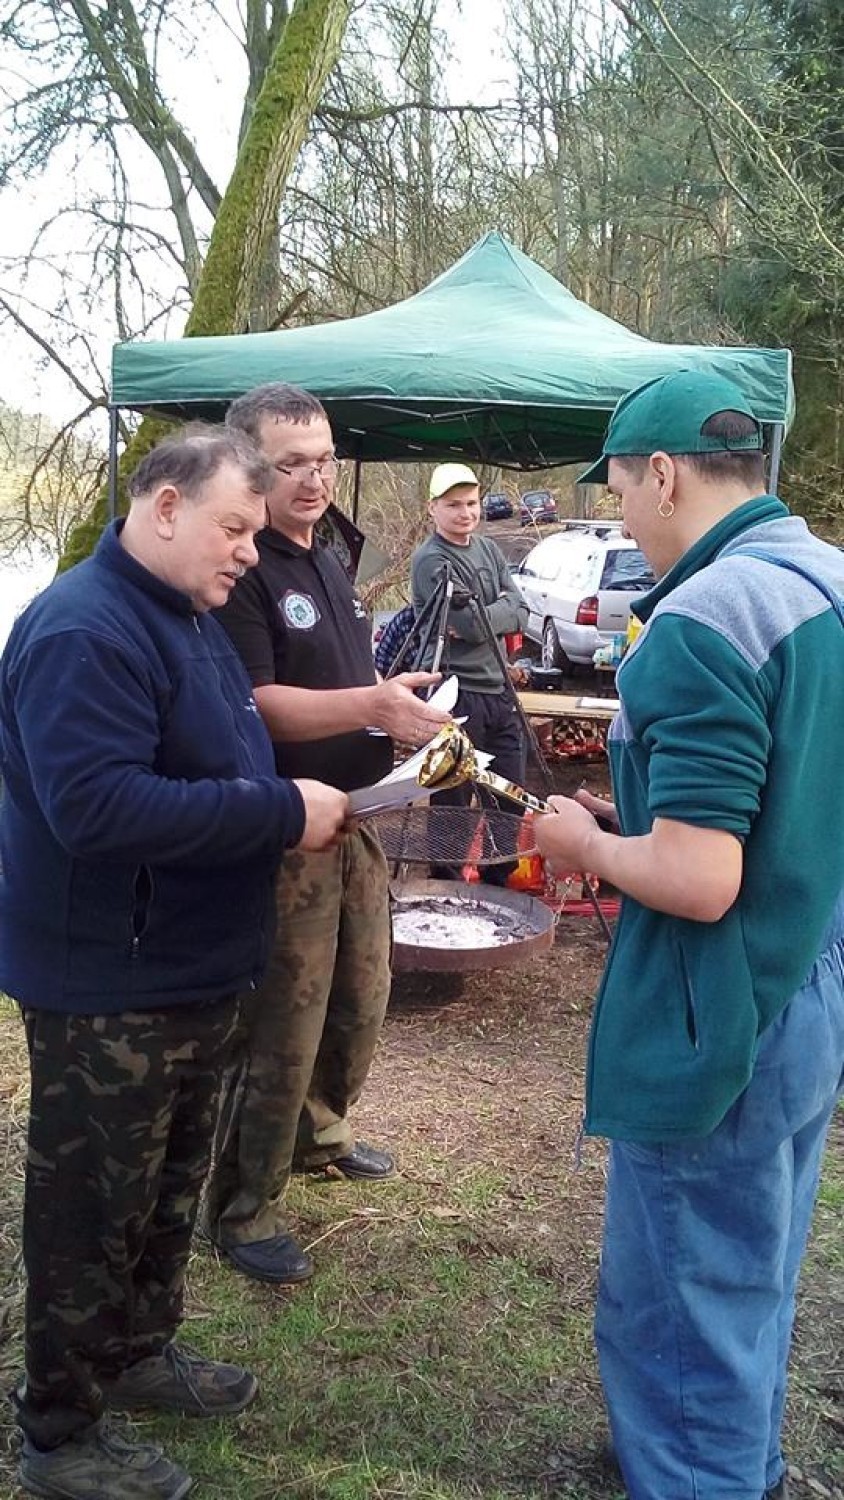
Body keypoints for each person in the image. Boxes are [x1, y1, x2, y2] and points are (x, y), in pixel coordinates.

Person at [0, 426, 350, 1500]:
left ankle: (140, 1352)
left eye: (253, 533)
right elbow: (96, 807)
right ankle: (58, 1433)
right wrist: (279, 809)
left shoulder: (185, 614)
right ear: (162, 505)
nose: (249, 551)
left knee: (165, 1192)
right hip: (110, 983)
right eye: (233, 528)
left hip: (195, 968)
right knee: (90, 1209)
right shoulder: (82, 630)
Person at [534, 370, 844, 1500]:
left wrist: (586, 845)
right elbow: (782, 801)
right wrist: (647, 821)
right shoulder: (822, 579)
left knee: (680, 1292)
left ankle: (699, 1478)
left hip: (722, 1007)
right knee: (749, 1271)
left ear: (661, 473)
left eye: (618, 487)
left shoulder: (700, 619)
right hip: (808, 973)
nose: (620, 514)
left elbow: (701, 879)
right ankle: (744, 1468)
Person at [201, 382, 449, 1286]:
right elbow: (254, 704)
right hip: (284, 830)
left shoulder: (327, 556)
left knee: (361, 990)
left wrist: (397, 707)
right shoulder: (241, 566)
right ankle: (241, 1204)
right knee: (282, 1023)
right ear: (247, 467)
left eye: (324, 458)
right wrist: (369, 701)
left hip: (360, 811)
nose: (313, 478)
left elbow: (339, 679)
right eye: (289, 462)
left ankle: (320, 1135)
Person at [410, 462, 528, 884]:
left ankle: (499, 882)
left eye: (471, 503)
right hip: (456, 694)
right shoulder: (431, 560)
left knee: (509, 796)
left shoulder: (489, 550)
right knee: (453, 802)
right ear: (433, 508)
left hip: (500, 692)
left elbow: (521, 609)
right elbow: (468, 624)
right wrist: (498, 612)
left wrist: (493, 613)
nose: (465, 513)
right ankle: (445, 886)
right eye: (454, 504)